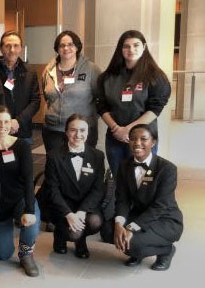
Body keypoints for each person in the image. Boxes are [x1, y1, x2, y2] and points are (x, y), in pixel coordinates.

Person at [97, 30, 171, 174]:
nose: (131, 50)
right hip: (115, 136)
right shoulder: (108, 77)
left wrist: (128, 130)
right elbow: (101, 106)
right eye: (126, 46)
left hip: (143, 138)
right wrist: (116, 129)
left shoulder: (155, 76)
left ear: (144, 47)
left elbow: (155, 108)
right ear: (120, 49)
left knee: (141, 180)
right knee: (119, 178)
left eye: (136, 45)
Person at [0, 106, 41, 277]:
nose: (2, 125)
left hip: (18, 199)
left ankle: (26, 253)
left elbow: (29, 179)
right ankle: (6, 229)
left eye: (6, 121)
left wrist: (29, 209)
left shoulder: (21, 145)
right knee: (4, 254)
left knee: (32, 220)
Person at [113, 125, 182, 271]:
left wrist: (131, 228)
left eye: (143, 139)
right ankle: (136, 251)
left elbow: (160, 207)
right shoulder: (124, 165)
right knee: (109, 231)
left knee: (132, 242)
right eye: (132, 139)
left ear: (153, 142)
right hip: (139, 214)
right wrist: (119, 224)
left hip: (164, 219)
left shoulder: (167, 169)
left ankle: (166, 251)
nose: (137, 143)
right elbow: (122, 199)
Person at [42, 114, 105, 258]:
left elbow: (98, 189)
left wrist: (82, 211)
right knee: (73, 233)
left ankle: (80, 241)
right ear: (66, 132)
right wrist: (69, 214)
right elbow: (53, 189)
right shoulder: (54, 156)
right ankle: (60, 235)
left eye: (82, 130)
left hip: (85, 204)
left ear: (88, 132)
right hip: (62, 205)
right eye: (73, 130)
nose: (78, 135)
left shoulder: (98, 156)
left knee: (95, 222)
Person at [42, 31, 102, 153]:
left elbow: (101, 98)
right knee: (56, 166)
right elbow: (47, 96)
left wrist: (89, 119)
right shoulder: (49, 70)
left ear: (77, 47)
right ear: (57, 49)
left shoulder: (91, 69)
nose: (66, 48)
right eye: (62, 45)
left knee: (82, 166)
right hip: (54, 130)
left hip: (82, 131)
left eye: (70, 44)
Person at [0, 31, 40, 145]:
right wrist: (5, 123)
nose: (12, 50)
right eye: (7, 46)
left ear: (21, 48)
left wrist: (18, 122)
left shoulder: (30, 71)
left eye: (16, 46)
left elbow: (35, 101)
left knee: (23, 162)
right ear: (0, 48)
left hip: (22, 130)